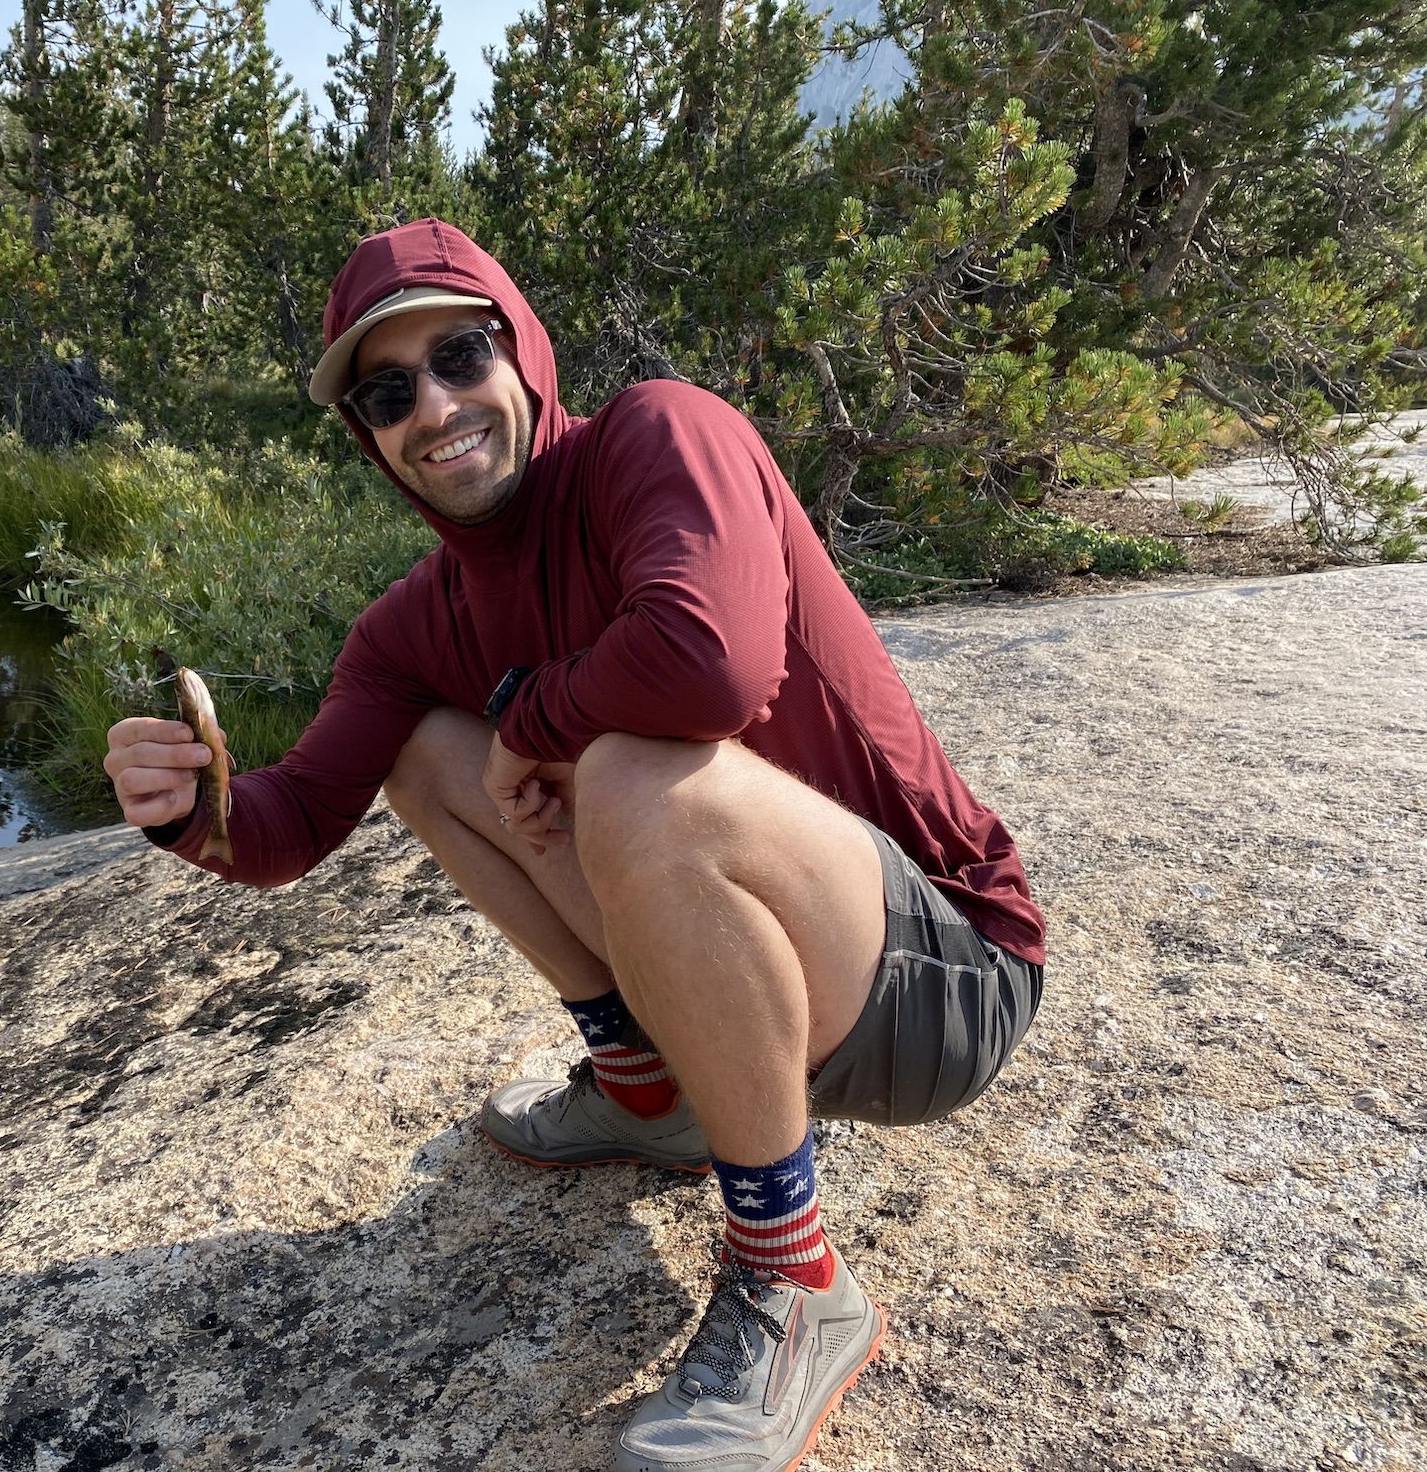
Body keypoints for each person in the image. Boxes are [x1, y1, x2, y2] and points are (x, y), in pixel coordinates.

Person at [102, 219, 1046, 1472]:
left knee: (635, 779)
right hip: (760, 994)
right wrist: (185, 807)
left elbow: (708, 663)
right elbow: (284, 829)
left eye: (458, 354)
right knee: (430, 752)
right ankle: (652, 1095)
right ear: (366, 436)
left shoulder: (659, 435)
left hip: (934, 976)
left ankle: (791, 1276)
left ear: (524, 351)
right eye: (387, 393)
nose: (432, 406)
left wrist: (531, 719)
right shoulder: (411, 623)